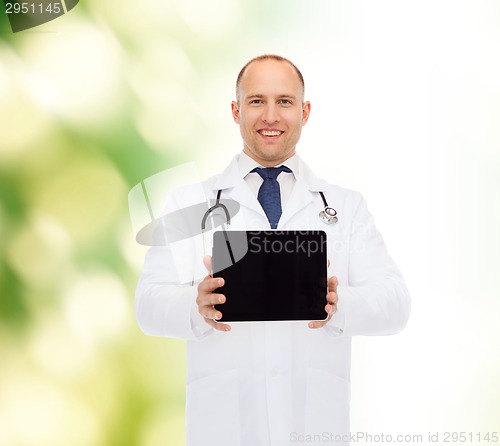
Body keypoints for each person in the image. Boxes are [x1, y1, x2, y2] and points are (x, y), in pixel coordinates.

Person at [135, 55, 411, 446]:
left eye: (284, 101)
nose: (271, 116)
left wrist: (338, 302)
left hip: (315, 427)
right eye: (256, 101)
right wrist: (195, 306)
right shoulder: (189, 204)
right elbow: (147, 305)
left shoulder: (345, 207)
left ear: (305, 111)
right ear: (235, 110)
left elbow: (396, 304)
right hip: (225, 429)